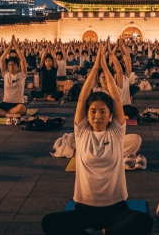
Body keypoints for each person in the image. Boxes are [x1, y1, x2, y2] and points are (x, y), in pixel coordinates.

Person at [41, 41, 152, 235]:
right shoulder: (82, 132)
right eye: (93, 112)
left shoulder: (117, 133)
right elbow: (83, 98)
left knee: (143, 221)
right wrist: (95, 67)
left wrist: (106, 67)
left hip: (116, 208)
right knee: (48, 223)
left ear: (111, 116)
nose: (97, 116)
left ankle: (104, 232)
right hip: (84, 209)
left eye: (103, 111)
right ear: (87, 114)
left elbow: (117, 98)